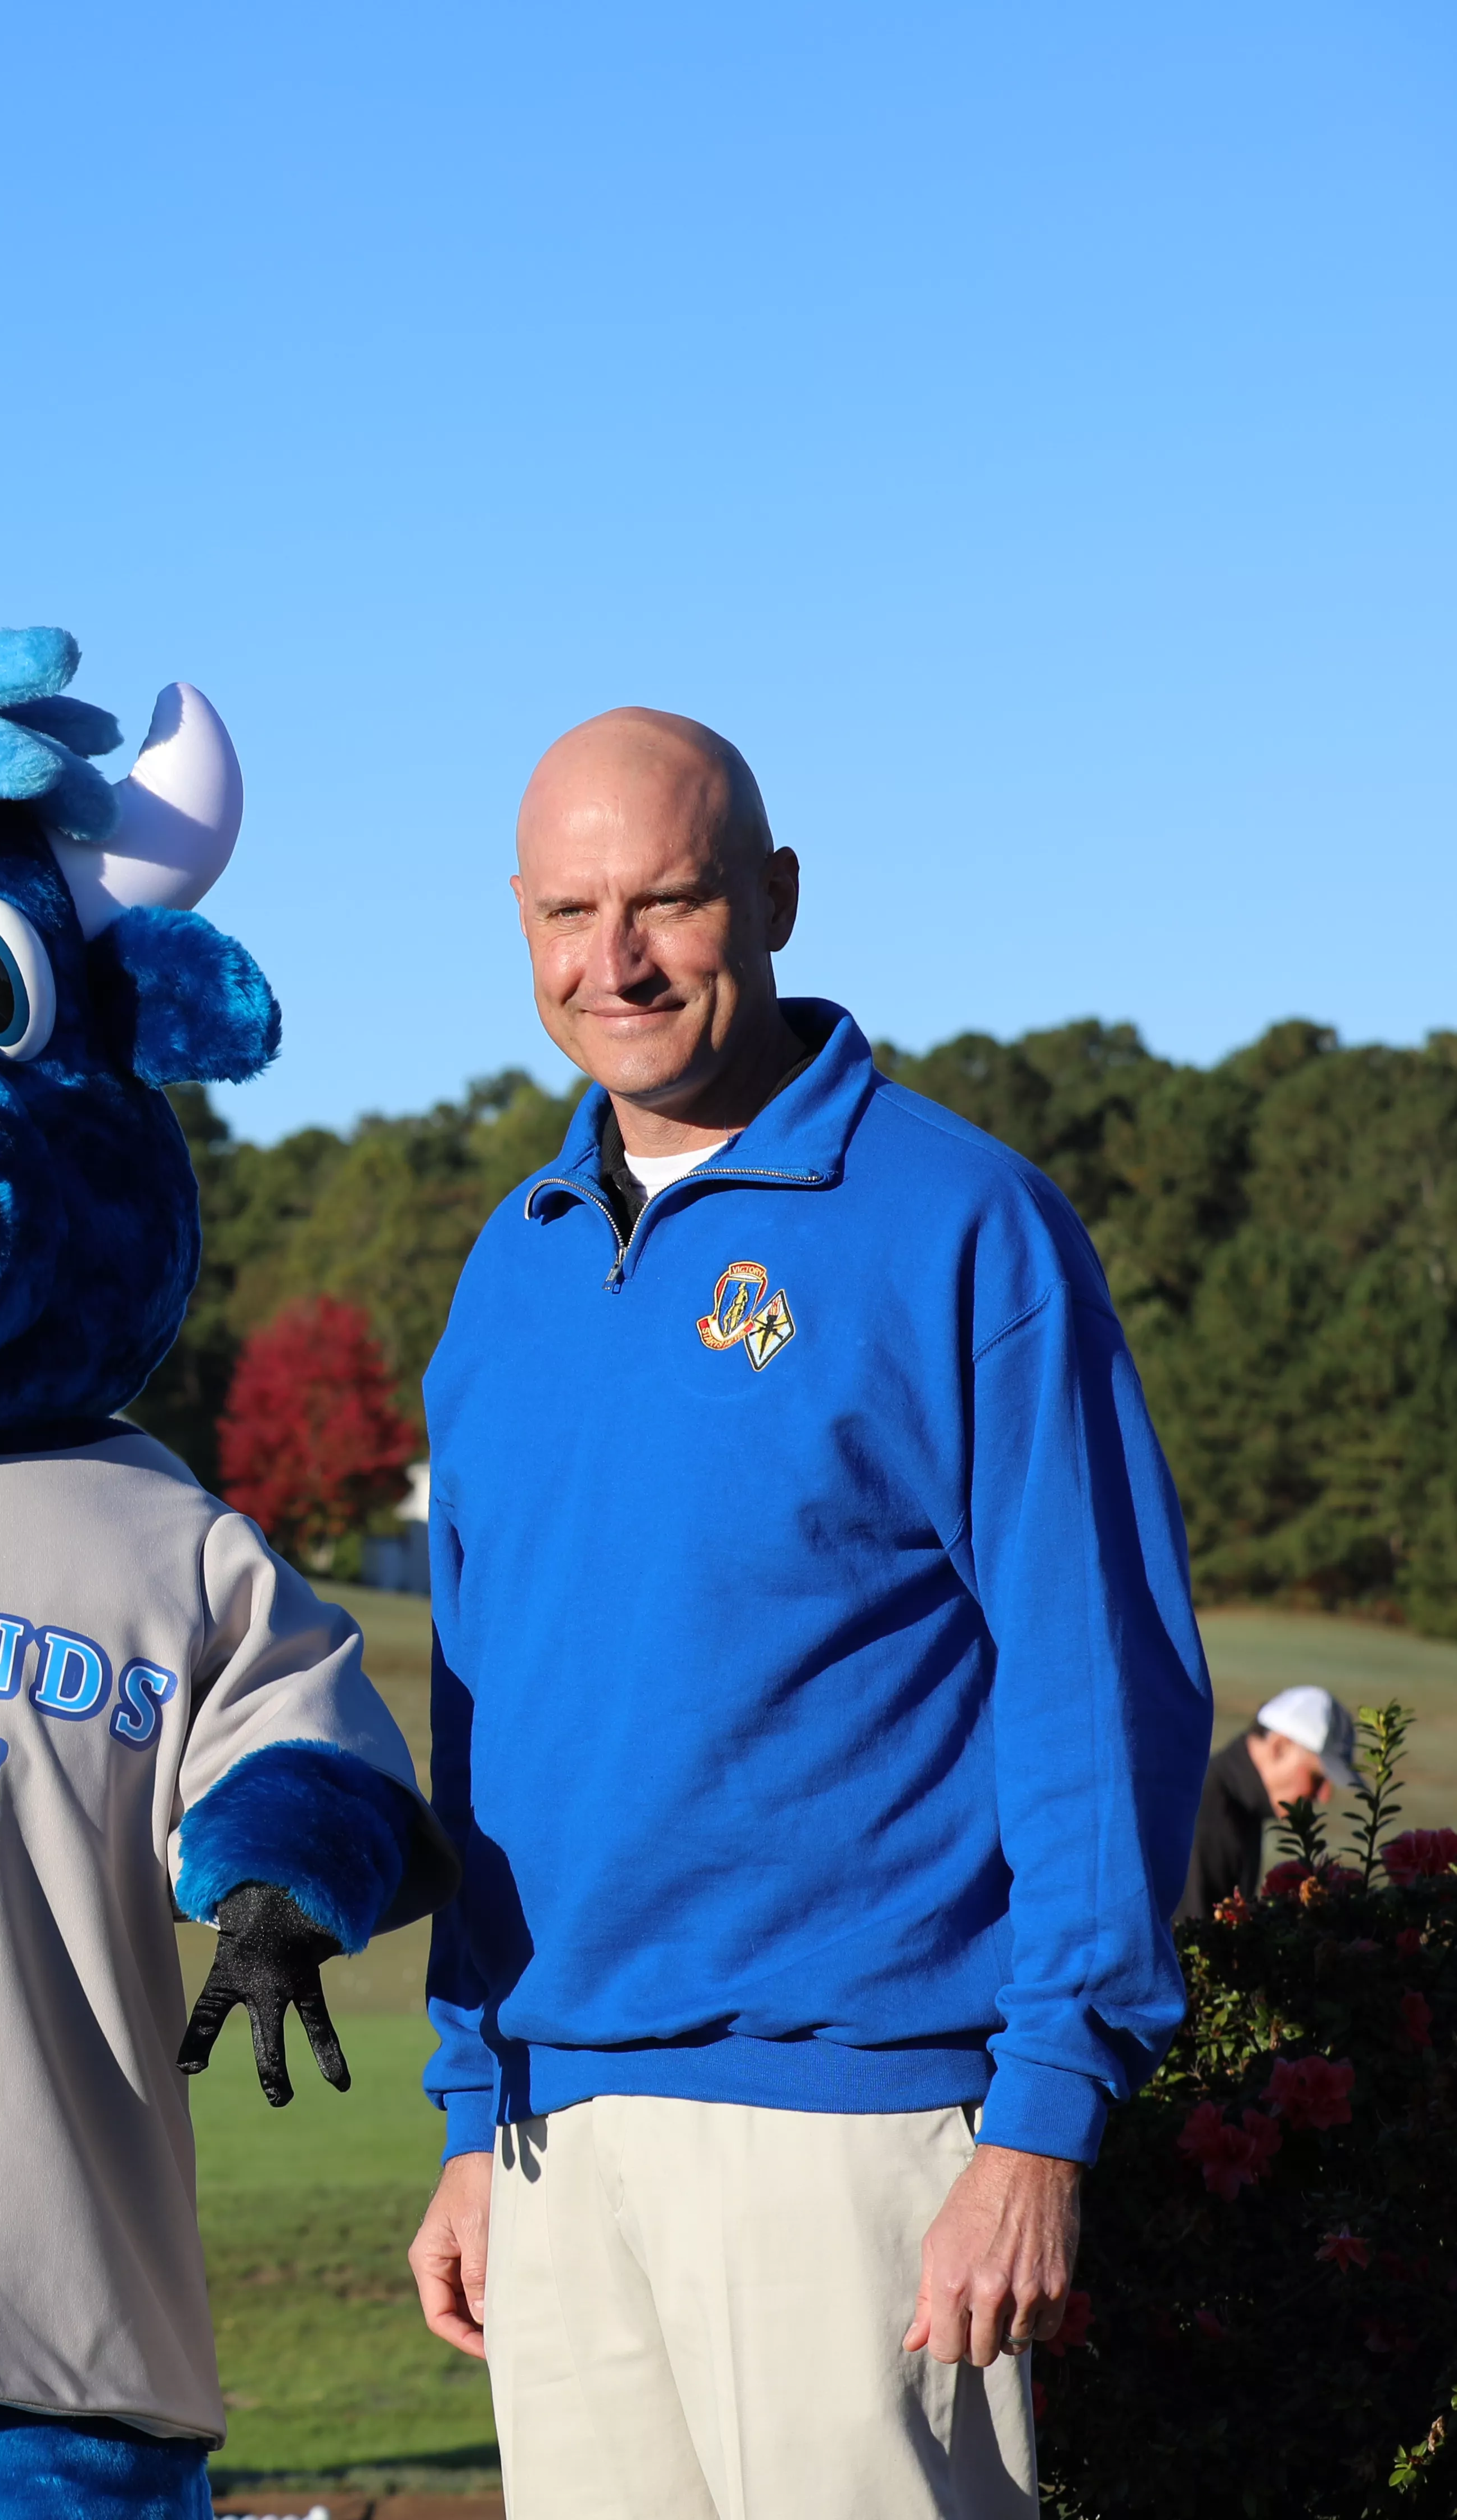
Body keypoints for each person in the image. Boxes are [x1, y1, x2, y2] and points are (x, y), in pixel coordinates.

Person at [403, 709, 1212, 2518]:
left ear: (768, 896)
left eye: (666, 902)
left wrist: (1037, 2119)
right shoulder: (510, 1260)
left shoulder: (960, 1223)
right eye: (564, 911)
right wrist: (471, 2103)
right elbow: (484, 1716)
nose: (609, 960)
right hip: (555, 2127)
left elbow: (1102, 1687)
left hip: (860, 2126)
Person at [1180, 1685, 1358, 1921]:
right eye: (1317, 1777)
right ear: (1280, 1747)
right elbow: (1188, 1947)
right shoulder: (1209, 1818)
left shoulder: (1235, 1805)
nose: (1324, 1796)